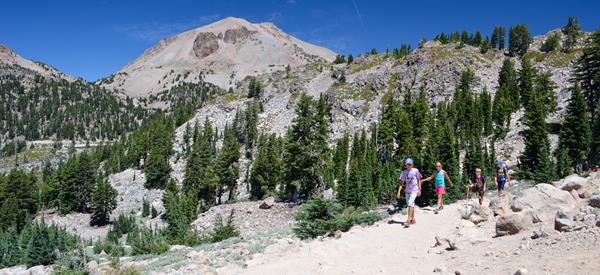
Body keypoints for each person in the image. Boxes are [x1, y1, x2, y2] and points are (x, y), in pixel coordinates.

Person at [397, 158, 422, 227]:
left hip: (414, 189)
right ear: (405, 164)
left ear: (412, 164)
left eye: (410, 164)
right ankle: (413, 219)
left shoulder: (415, 170)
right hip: (407, 190)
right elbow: (402, 183)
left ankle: (408, 220)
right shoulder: (404, 172)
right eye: (407, 164)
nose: (409, 165)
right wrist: (399, 192)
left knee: (410, 204)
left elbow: (419, 179)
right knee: (411, 205)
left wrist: (419, 189)